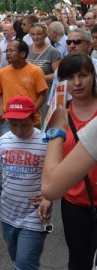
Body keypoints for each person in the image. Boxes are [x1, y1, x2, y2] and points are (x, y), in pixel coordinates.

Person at [0, 96, 51, 270]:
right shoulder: (3, 141)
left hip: (34, 215)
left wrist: (49, 197)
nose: (19, 130)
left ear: (34, 118)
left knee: (25, 264)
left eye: (24, 124)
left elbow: (56, 176)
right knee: (16, 258)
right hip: (7, 214)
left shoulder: (45, 142)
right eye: (14, 124)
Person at [49, 52, 97, 270]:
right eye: (69, 77)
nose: (77, 83)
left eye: (83, 75)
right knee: (78, 260)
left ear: (93, 76)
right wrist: (47, 196)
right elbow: (50, 158)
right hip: (74, 202)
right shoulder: (59, 115)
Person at [0, 40, 48, 134]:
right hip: (9, 120)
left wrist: (31, 111)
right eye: (6, 51)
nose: (8, 53)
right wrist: (1, 109)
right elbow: (0, 93)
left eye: (11, 51)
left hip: (30, 120)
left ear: (23, 53)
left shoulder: (36, 71)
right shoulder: (2, 72)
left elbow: (43, 95)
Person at [27, 23, 61, 88]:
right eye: (33, 34)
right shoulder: (27, 49)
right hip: (29, 90)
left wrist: (41, 78)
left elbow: (58, 74)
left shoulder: (53, 52)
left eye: (39, 34)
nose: (35, 37)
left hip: (46, 90)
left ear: (45, 35)